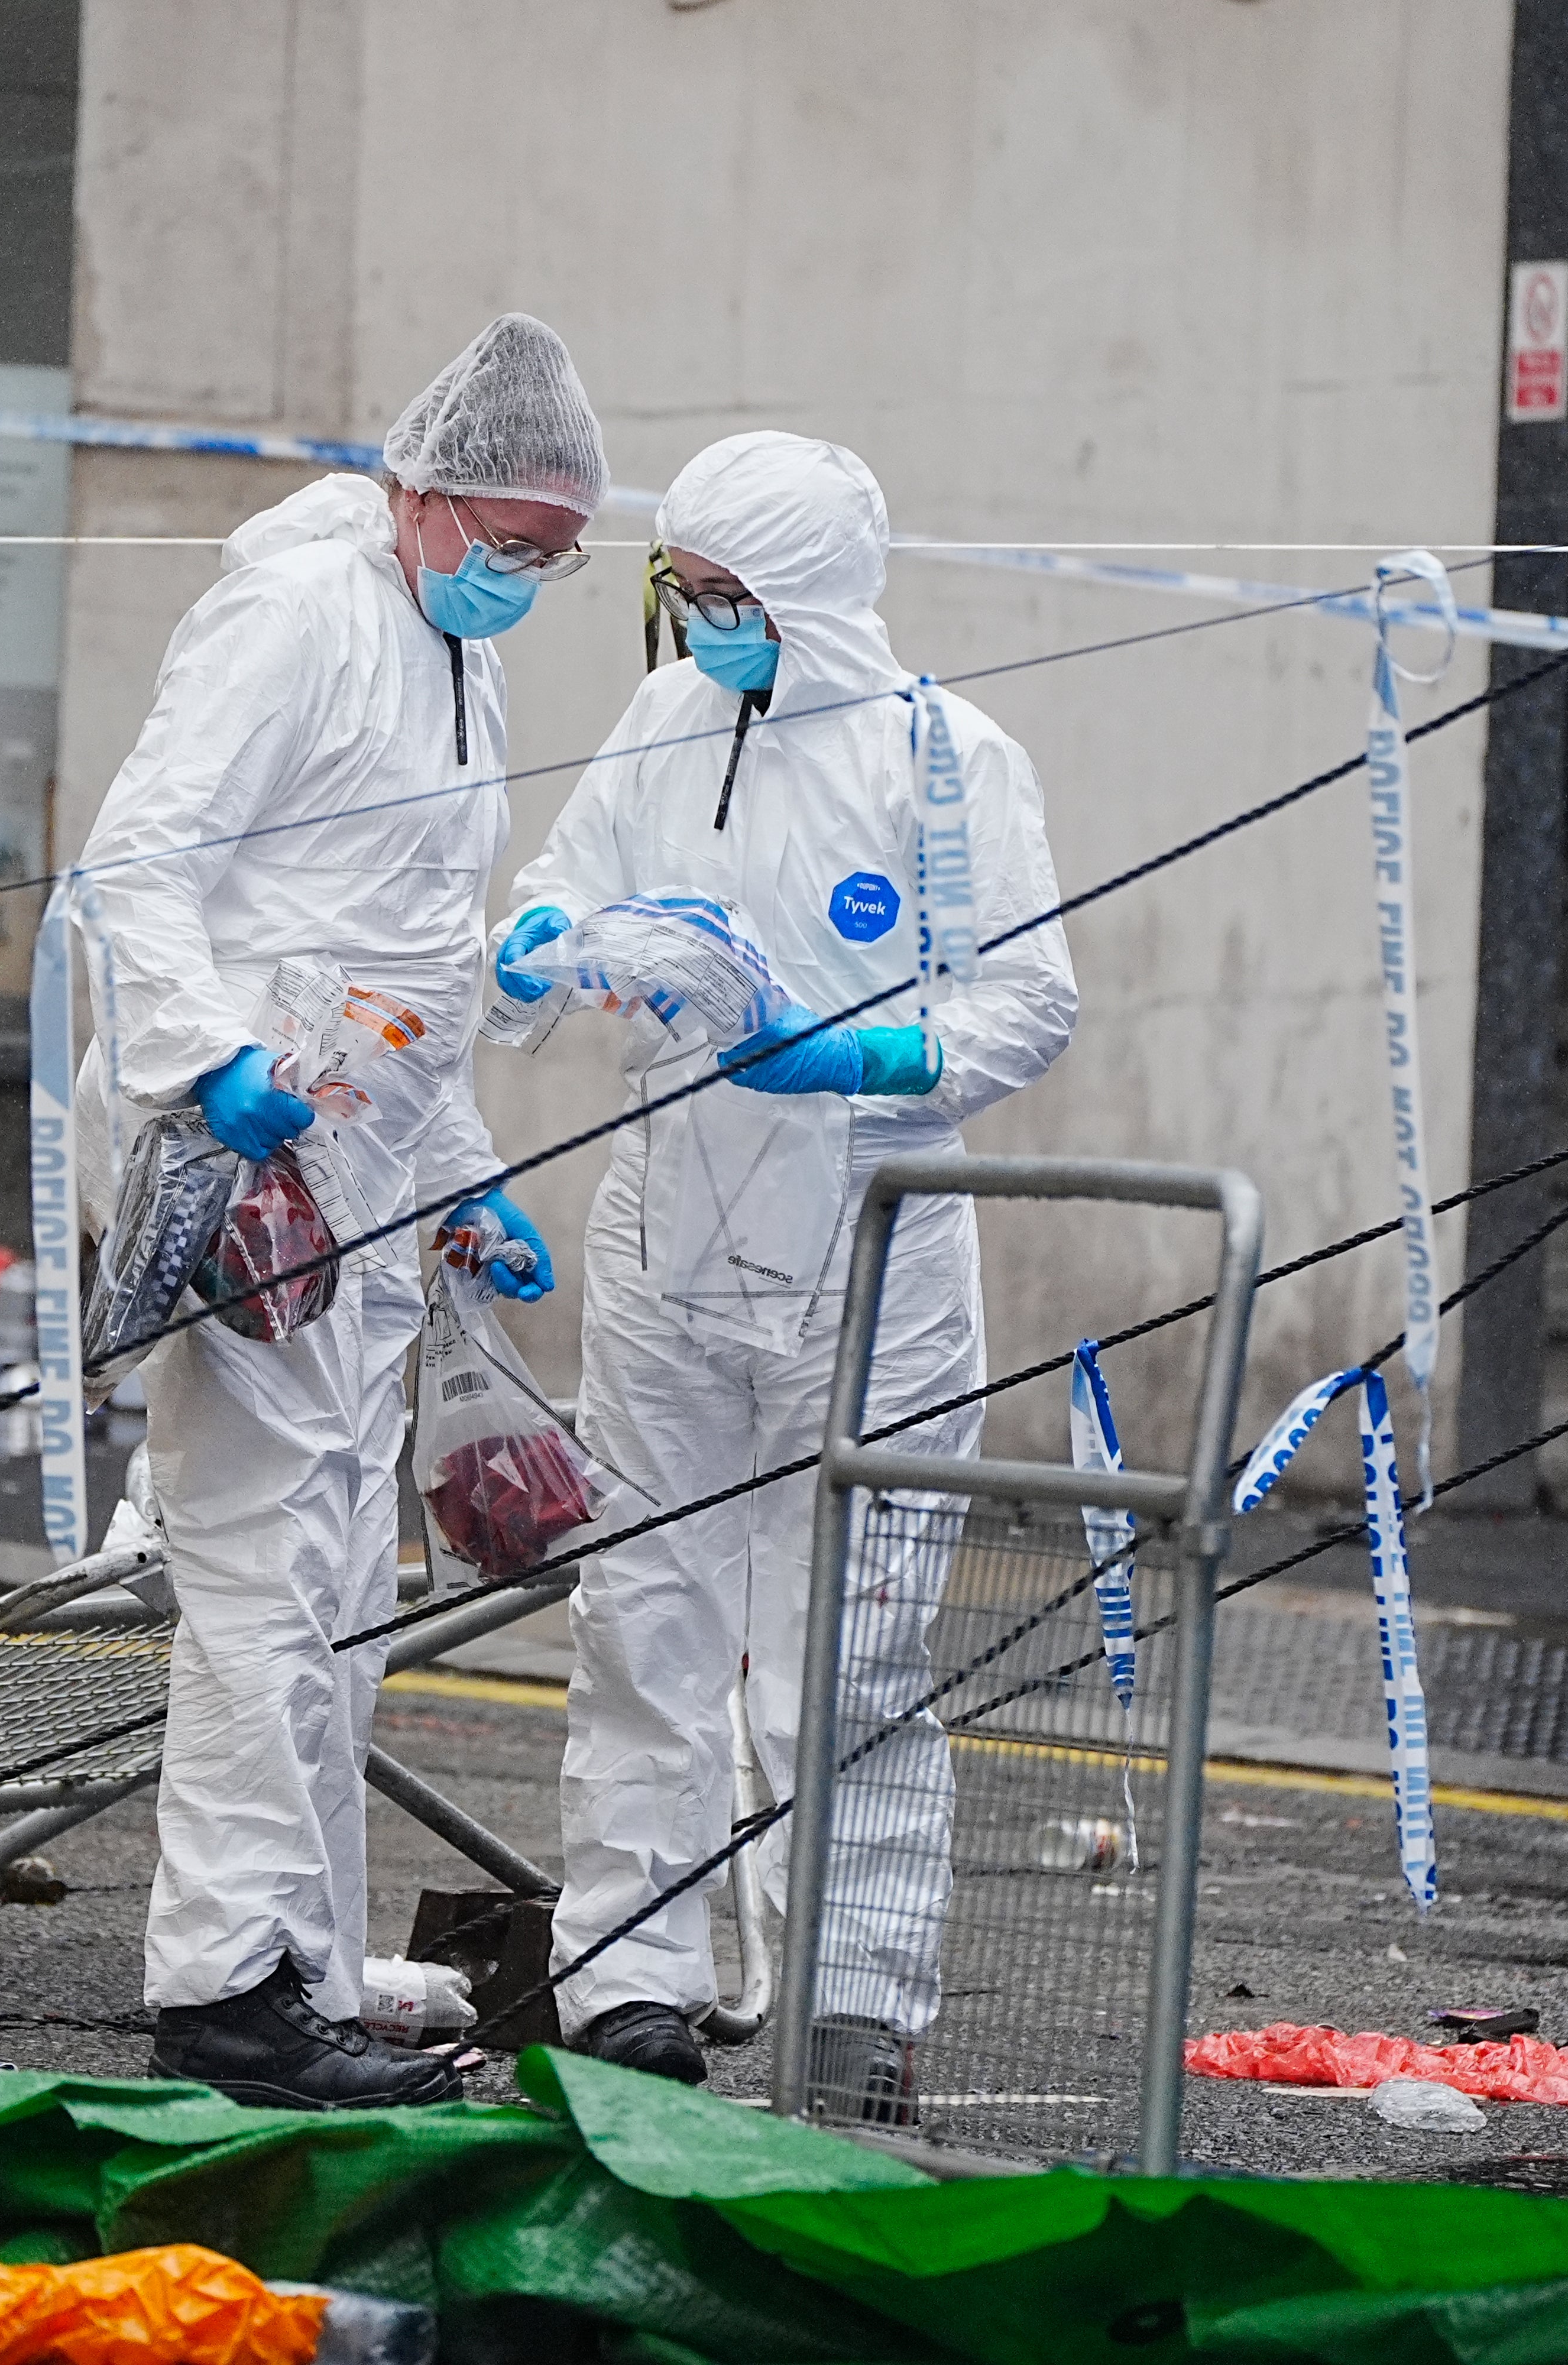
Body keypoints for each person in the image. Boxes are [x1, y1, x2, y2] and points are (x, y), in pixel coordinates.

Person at [492, 432, 1077, 2114]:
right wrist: (542, 952)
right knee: (645, 1620)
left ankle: (855, 2007)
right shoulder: (666, 721)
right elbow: (565, 883)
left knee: (857, 1646)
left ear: (810, 598)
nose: (700, 622)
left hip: (872, 1253)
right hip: (666, 1236)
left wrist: (856, 1060)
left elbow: (1026, 1004)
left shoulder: (948, 760)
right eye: (682, 590)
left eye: (725, 595)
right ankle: (633, 1987)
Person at [72, 314, 602, 2110]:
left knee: (342, 1598)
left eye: (556, 556)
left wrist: (462, 1178)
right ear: (423, 491)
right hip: (245, 1168)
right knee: (264, 1582)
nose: (524, 579)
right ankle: (225, 1992)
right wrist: (207, 1058)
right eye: (512, 541)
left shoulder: (459, 660)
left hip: (363, 1174)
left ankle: (300, 1965)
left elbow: (411, 964)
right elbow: (141, 855)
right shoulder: (295, 614)